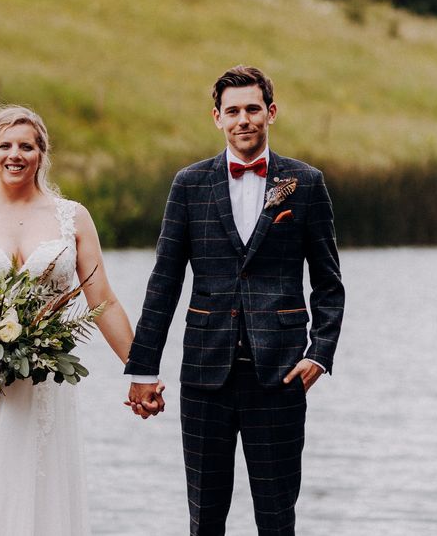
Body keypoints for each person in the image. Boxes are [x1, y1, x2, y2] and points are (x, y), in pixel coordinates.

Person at [125, 65, 345, 535]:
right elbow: (164, 281)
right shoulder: (188, 184)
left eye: (252, 109)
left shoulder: (305, 183)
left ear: (271, 112)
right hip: (206, 375)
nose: (243, 119)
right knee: (204, 518)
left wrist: (319, 354)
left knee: (277, 518)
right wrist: (143, 370)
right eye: (233, 111)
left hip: (280, 375)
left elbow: (329, 283)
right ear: (217, 119)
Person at [0, 105, 148, 536]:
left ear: (42, 153)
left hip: (43, 386)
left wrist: (141, 370)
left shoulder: (71, 217)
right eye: (5, 145)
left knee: (37, 497)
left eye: (26, 145)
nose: (15, 154)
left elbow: (105, 302)